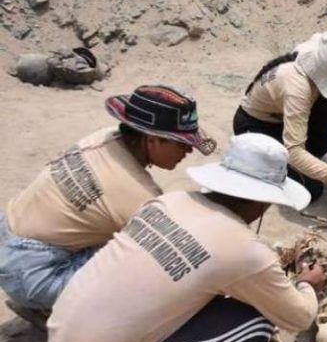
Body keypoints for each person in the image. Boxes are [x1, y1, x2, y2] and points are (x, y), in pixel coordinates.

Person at [47, 133, 325, 342]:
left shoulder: (170, 201)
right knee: (257, 319)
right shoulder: (244, 250)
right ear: (265, 201)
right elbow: (298, 318)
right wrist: (306, 283)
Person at [0, 85, 215, 323]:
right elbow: (177, 255)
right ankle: (57, 312)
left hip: (8, 235)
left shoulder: (105, 138)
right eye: (181, 143)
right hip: (33, 274)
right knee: (149, 270)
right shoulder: (137, 194)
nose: (188, 150)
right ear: (152, 140)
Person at [233, 29, 327, 202]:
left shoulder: (322, 52)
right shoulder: (297, 87)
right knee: (310, 189)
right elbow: (294, 152)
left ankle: (311, 158)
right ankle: (255, 164)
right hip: (256, 126)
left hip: (282, 117)